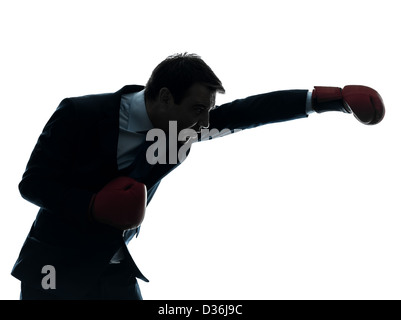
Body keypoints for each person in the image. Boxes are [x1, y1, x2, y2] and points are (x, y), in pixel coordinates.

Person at [12, 53, 385, 300]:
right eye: (197, 109)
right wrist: (92, 206)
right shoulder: (80, 113)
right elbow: (33, 184)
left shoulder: (183, 127)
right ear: (162, 96)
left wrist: (326, 99)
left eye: (208, 110)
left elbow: (245, 112)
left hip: (113, 266)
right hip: (55, 267)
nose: (205, 123)